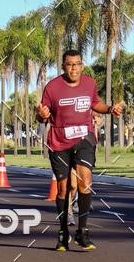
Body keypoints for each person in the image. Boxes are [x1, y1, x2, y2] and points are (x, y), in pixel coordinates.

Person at [37, 49, 123, 251]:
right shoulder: (52, 87)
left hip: (84, 138)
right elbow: (42, 114)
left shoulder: (89, 83)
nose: (74, 68)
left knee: (85, 181)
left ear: (82, 66)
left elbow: (95, 103)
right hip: (59, 141)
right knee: (63, 188)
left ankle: (82, 232)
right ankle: (63, 232)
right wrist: (42, 114)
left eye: (77, 64)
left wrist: (110, 109)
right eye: (69, 64)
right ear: (63, 66)